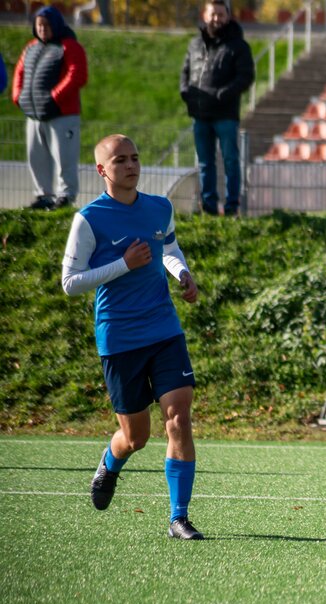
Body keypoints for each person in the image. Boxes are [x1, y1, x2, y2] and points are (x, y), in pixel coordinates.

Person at [60, 134, 204, 540]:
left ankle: (178, 517)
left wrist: (182, 273)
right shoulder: (89, 218)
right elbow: (70, 283)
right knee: (136, 437)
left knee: (179, 417)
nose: (130, 166)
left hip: (164, 328)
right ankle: (110, 462)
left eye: (135, 158)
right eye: (120, 160)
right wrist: (123, 264)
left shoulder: (159, 207)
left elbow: (169, 248)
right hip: (120, 337)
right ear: (102, 170)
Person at [180, 0, 253, 216]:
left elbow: (245, 77)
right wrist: (185, 92)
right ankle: (209, 207)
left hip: (225, 114)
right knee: (205, 162)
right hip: (200, 113)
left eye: (221, 14)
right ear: (205, 15)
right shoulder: (195, 44)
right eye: (213, 14)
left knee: (230, 160)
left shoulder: (238, 46)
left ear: (228, 17)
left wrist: (223, 94)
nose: (216, 19)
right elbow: (185, 72)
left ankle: (232, 206)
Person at [11, 6, 88, 210]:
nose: (42, 29)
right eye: (39, 25)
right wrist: (18, 96)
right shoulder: (31, 47)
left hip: (62, 114)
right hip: (35, 115)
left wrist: (54, 97)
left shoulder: (69, 46)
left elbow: (77, 75)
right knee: (36, 157)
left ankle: (66, 195)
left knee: (64, 157)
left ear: (56, 25)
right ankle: (43, 195)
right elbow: (20, 72)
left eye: (46, 25)